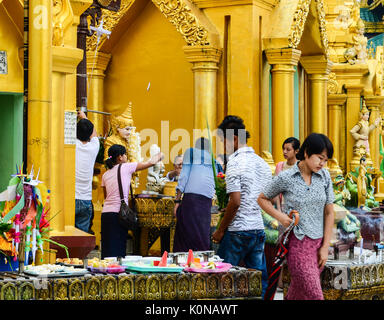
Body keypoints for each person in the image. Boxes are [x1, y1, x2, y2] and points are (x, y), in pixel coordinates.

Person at [257, 133, 335, 300]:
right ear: (306, 153)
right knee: (315, 296)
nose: (322, 163)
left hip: (318, 245)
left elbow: (329, 212)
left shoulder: (325, 176)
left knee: (297, 294)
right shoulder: (287, 177)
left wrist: (325, 247)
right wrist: (281, 217)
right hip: (297, 244)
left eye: (326, 160)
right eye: (320, 158)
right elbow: (262, 199)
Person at [211, 115, 271, 298]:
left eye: (223, 141)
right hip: (257, 228)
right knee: (258, 280)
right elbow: (267, 197)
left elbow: (235, 202)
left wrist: (220, 230)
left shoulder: (235, 162)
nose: (223, 146)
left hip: (238, 230)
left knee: (222, 279)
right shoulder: (262, 163)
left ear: (234, 139)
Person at [101, 144, 163, 258]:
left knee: (107, 246)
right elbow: (150, 163)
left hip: (106, 214)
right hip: (119, 214)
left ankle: (104, 271)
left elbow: (106, 196)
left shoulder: (105, 174)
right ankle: (117, 272)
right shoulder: (125, 167)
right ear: (120, 157)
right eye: (125, 155)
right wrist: (161, 154)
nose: (126, 157)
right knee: (118, 247)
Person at [173, 137, 221, 252]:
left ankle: (184, 262)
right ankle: (202, 261)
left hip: (191, 200)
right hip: (206, 202)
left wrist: (177, 201)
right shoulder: (214, 162)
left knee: (184, 235)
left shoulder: (191, 153)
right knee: (202, 233)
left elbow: (183, 176)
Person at [75, 111, 100, 234]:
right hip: (86, 199)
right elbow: (94, 134)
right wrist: (84, 116)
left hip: (71, 198)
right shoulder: (94, 147)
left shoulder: (72, 146)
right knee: (81, 237)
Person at [274, 137, 300, 212]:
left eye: (288, 150)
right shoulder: (280, 166)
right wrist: (278, 210)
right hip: (282, 207)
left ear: (296, 151)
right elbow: (276, 190)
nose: (284, 152)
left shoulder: (301, 166)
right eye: (283, 149)